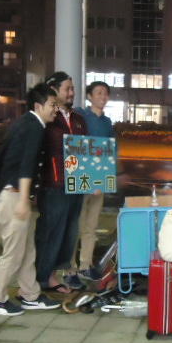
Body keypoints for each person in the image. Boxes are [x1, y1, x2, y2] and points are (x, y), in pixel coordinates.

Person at [0, 83, 61, 316]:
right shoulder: (33, 127)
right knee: (13, 254)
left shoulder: (25, 123)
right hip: (13, 198)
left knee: (27, 251)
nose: (55, 109)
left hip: (12, 195)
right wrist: (23, 200)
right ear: (38, 106)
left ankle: (30, 295)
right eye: (52, 104)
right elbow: (27, 165)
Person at [34, 72, 87, 294]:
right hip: (54, 185)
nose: (72, 93)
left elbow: (86, 152)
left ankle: (53, 275)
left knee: (68, 233)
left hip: (76, 185)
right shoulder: (47, 118)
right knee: (51, 233)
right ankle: (42, 277)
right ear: (54, 90)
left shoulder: (78, 119)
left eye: (72, 89)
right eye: (67, 89)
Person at [64, 81, 116, 289]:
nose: (103, 96)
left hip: (98, 183)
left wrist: (104, 179)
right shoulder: (80, 116)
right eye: (99, 92)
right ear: (89, 96)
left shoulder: (107, 122)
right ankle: (70, 269)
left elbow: (109, 152)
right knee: (74, 227)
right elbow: (76, 147)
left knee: (91, 226)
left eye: (106, 93)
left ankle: (85, 265)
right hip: (81, 180)